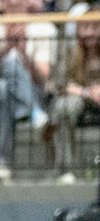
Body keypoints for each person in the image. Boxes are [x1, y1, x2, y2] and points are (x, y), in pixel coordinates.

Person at [0, 4, 49, 183]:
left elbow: (43, 77)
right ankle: (36, 113)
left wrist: (23, 52)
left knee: (2, 88)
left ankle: (1, 161)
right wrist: (7, 47)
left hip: (31, 91)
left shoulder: (44, 27)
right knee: (2, 80)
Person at [48, 17, 100, 182]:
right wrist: (86, 92)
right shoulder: (71, 53)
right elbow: (60, 84)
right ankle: (66, 168)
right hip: (80, 98)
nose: (89, 33)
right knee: (62, 107)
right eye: (84, 28)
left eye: (94, 28)